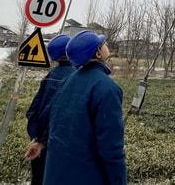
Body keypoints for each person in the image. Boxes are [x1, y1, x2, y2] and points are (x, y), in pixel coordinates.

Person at [25, 30, 126, 185]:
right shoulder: (107, 88)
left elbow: (53, 121)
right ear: (98, 53)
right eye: (102, 43)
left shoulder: (68, 81)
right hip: (86, 175)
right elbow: (111, 149)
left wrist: (40, 141)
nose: (106, 45)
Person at [25, 34, 74, 185]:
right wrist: (43, 141)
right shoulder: (75, 77)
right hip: (58, 145)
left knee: (38, 179)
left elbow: (33, 111)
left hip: (39, 143)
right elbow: (60, 113)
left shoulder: (50, 76)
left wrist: (36, 137)